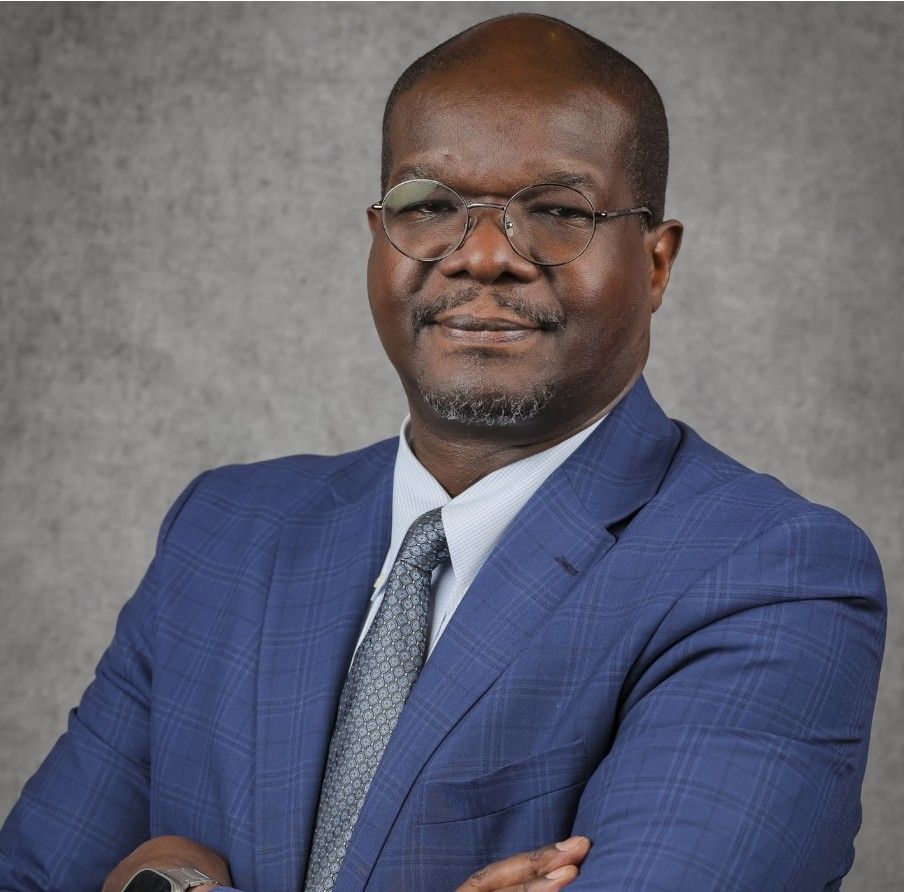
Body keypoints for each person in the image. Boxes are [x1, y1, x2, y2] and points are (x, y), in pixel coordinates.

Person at [0, 13, 886, 892]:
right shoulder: (224, 532)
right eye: (430, 207)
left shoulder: (769, 575)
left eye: (557, 211)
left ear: (656, 264)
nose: (485, 256)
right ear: (380, 234)